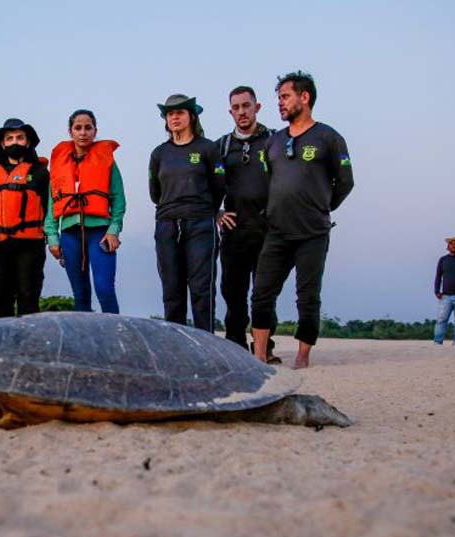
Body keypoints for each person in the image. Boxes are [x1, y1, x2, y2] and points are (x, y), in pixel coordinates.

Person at [250, 71, 355, 369]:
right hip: (277, 231)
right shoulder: (274, 141)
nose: (280, 104)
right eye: (279, 98)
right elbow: (270, 181)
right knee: (261, 293)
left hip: (313, 232)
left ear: (304, 97)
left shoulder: (329, 138)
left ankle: (302, 357)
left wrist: (321, 206)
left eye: (285, 97)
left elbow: (345, 182)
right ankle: (259, 356)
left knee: (307, 296)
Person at [149, 94, 226, 332]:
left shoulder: (208, 148)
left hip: (200, 223)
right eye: (170, 113)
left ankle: (207, 346)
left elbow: (219, 187)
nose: (175, 117)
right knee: (172, 289)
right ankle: (175, 348)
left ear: (191, 116)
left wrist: (208, 211)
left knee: (201, 289)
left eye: (180, 112)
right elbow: (155, 193)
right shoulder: (159, 153)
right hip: (167, 224)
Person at [216, 86, 279, 362]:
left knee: (264, 293)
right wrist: (216, 212)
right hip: (233, 230)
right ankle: (235, 347)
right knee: (233, 292)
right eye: (236, 107)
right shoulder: (221, 146)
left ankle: (265, 350)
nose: (242, 112)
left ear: (257, 107)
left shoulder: (275, 141)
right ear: (230, 111)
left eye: (246, 106)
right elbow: (206, 185)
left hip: (268, 230)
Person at [45, 109, 125, 313]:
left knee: (105, 290)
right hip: (70, 235)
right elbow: (52, 203)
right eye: (78, 128)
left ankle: (114, 340)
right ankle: (85, 344)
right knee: (80, 295)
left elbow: (118, 199)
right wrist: (53, 237)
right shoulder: (59, 164)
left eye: (88, 128)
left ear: (95, 131)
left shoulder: (107, 161)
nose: (83, 132)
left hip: (100, 233)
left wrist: (114, 230)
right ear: (70, 131)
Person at [0, 118, 50, 318]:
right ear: (2, 143)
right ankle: (1, 346)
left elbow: (48, 206)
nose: (14, 142)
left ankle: (29, 346)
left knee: (28, 297)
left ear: (28, 142)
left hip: (30, 244)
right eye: (9, 138)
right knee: (1, 298)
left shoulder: (40, 172)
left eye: (20, 138)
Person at [433, 236, 455, 345]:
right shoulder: (443, 260)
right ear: (447, 246)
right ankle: (437, 343)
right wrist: (437, 291)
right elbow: (438, 276)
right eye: (451, 243)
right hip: (445, 296)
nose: (453, 245)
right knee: (441, 320)